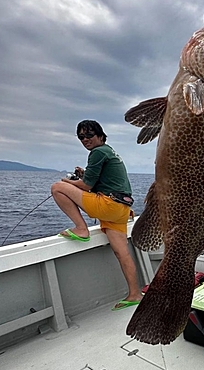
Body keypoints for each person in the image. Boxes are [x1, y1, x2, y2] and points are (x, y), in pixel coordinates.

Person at [51, 120, 142, 311]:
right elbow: (101, 180)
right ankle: (135, 294)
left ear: (100, 135)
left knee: (58, 188)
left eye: (89, 135)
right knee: (122, 252)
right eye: (81, 137)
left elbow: (86, 187)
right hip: (121, 209)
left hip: (109, 205)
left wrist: (67, 181)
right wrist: (83, 175)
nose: (85, 140)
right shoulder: (108, 151)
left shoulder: (98, 152)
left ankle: (81, 229)